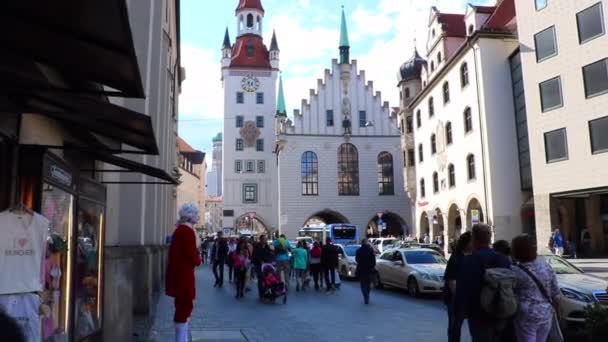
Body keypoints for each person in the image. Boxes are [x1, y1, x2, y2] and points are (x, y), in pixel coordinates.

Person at [454, 224, 510, 342]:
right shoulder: (503, 259)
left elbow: (463, 288)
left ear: (474, 239)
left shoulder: (469, 260)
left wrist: (460, 311)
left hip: (478, 312)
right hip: (501, 308)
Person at [511, 234, 560, 342]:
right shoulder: (546, 266)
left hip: (526, 315)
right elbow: (555, 291)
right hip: (546, 312)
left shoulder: (514, 271)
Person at [166, 203, 202, 342]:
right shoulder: (187, 231)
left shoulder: (181, 230)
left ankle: (182, 337)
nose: (198, 216)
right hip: (184, 275)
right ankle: (181, 339)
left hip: (180, 274)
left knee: (182, 306)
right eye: (196, 214)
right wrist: (198, 258)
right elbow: (191, 255)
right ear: (190, 215)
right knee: (184, 306)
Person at [444, 232, 473, 342]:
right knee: (455, 326)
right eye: (472, 242)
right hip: (455, 299)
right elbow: (451, 280)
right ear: (466, 243)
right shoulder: (456, 257)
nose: (473, 244)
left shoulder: (473, 256)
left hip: (468, 298)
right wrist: (458, 297)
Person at [356, 238, 376, 304]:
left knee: (363, 284)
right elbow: (374, 261)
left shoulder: (358, 250)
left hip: (361, 270)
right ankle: (367, 294)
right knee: (368, 283)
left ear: (362, 243)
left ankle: (365, 296)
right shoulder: (370, 250)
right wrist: (372, 267)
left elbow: (357, 260)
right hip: (369, 270)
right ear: (366, 242)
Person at [252, 235, 273, 299]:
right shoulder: (257, 246)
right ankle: (261, 294)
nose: (265, 240)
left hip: (266, 265)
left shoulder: (267, 246)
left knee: (267, 279)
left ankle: (265, 292)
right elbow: (255, 255)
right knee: (260, 279)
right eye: (264, 239)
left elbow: (269, 254)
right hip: (258, 265)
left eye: (266, 239)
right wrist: (260, 261)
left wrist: (270, 261)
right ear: (261, 239)